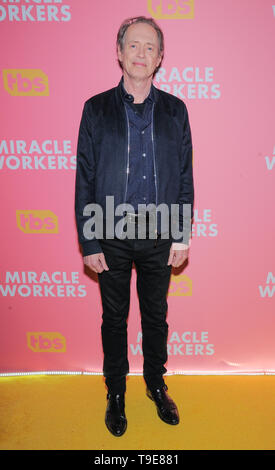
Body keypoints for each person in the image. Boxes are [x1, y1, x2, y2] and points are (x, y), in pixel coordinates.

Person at [75, 16, 194, 437]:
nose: (141, 54)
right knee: (114, 318)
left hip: (161, 233)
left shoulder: (176, 110)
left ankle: (156, 385)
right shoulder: (95, 109)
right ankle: (116, 393)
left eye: (150, 47)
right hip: (109, 232)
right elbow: (85, 177)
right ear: (119, 53)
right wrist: (89, 240)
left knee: (157, 317)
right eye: (133, 45)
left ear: (160, 57)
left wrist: (182, 233)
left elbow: (184, 176)